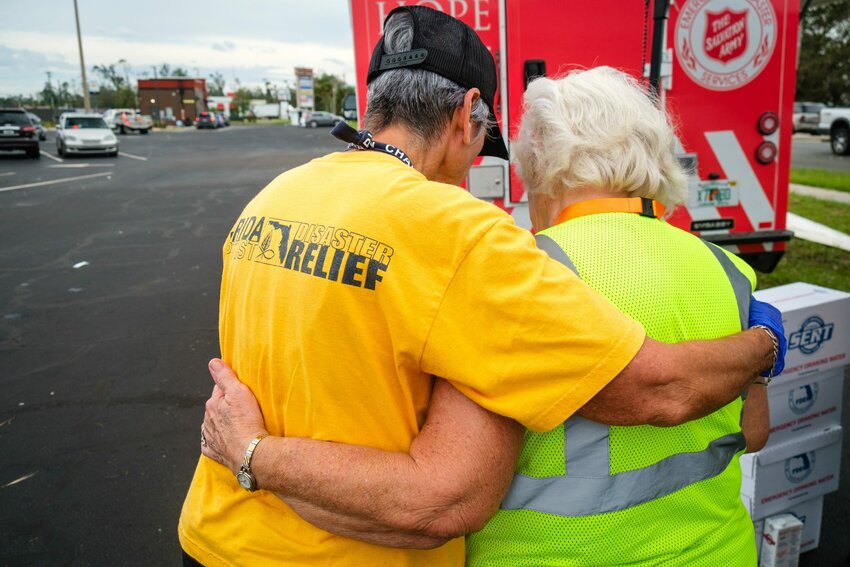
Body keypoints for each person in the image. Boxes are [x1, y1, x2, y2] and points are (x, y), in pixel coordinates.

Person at [181, 7, 784, 566]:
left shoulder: (273, 199)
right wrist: (764, 343)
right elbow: (654, 389)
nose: (474, 168)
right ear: (468, 113)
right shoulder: (457, 233)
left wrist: (248, 452)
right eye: (481, 144)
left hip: (215, 535)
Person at [463, 67, 770, 566]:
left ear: (542, 165)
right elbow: (753, 433)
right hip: (718, 550)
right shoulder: (729, 270)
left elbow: (462, 478)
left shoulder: (524, 272)